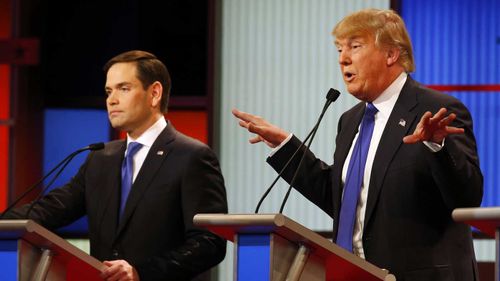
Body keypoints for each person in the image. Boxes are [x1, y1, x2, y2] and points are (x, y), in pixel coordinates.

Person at [232, 9, 483, 281]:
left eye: (355, 46)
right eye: (339, 49)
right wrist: (286, 147)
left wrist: (438, 147)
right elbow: (342, 202)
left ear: (391, 54)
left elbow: (467, 199)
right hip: (353, 274)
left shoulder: (435, 110)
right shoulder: (350, 121)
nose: (343, 59)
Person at [3, 50, 228, 281]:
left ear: (154, 93)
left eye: (124, 88)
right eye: (108, 91)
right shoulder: (100, 158)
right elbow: (49, 210)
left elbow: (209, 242)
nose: (112, 99)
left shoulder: (191, 156)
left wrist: (141, 272)